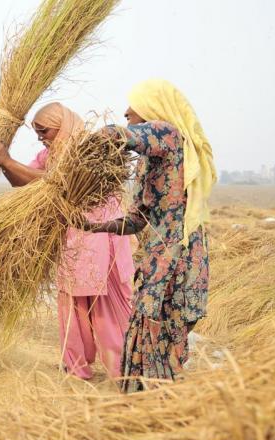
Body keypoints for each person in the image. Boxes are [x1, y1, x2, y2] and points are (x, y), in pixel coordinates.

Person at [83, 80, 214, 392]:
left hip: (178, 257)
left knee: (167, 334)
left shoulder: (168, 134)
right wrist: (96, 227)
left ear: (153, 109)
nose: (127, 111)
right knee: (146, 330)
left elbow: (120, 135)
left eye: (134, 106)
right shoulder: (149, 160)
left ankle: (163, 408)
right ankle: (145, 407)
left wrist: (88, 145)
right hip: (156, 258)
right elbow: (138, 219)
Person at [0, 102, 134, 380]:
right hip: (74, 238)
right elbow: (22, 182)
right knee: (72, 301)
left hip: (99, 233)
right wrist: (3, 162)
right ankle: (76, 365)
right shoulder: (49, 154)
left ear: (62, 125)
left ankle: (122, 367)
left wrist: (8, 160)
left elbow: (59, 181)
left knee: (103, 303)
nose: (41, 137)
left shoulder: (88, 150)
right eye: (38, 132)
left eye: (45, 131)